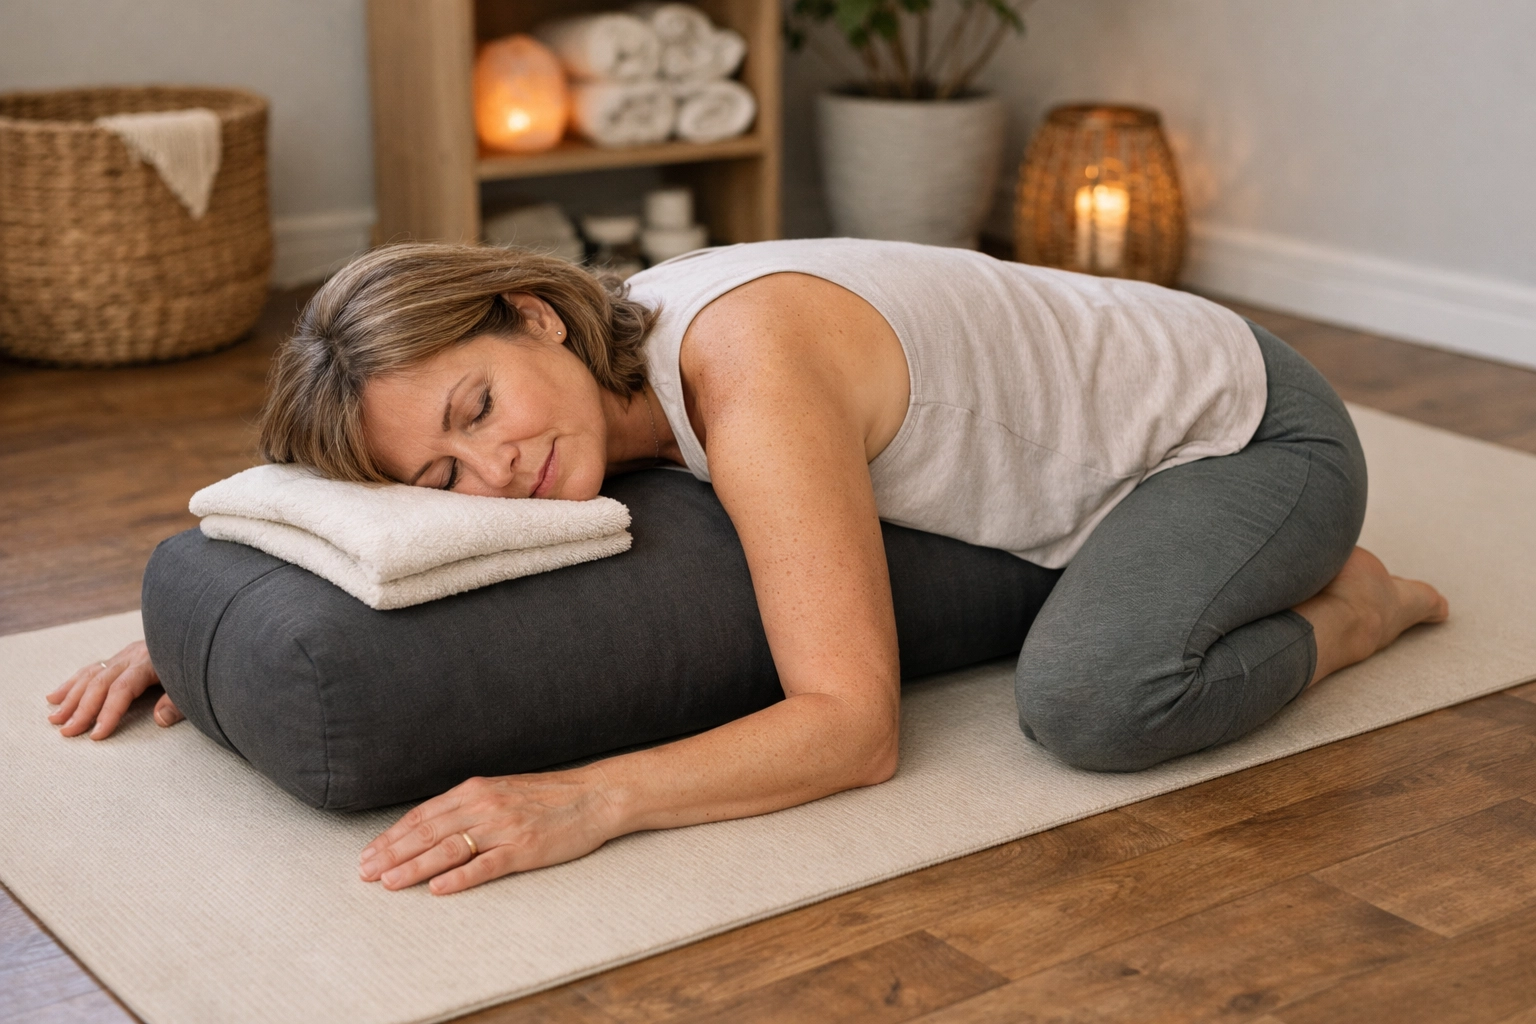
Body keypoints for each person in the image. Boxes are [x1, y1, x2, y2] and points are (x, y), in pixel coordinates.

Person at [47, 238, 1447, 896]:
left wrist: (590, 803)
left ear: (535, 316)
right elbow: (386, 496)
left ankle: (1364, 606)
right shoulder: (593, 377)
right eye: (442, 474)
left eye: (478, 410)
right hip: (1095, 431)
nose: (493, 472)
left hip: (1245, 433)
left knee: (1091, 704)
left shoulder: (743, 364)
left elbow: (854, 734)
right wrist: (212, 619)